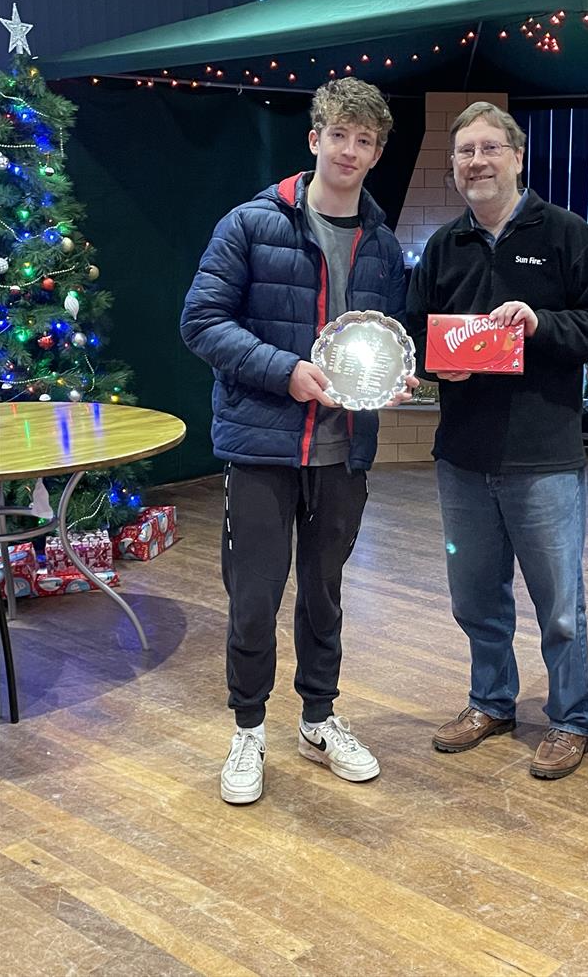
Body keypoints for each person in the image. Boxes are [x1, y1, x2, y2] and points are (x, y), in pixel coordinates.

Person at [181, 78, 416, 804]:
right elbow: (202, 322)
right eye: (339, 135)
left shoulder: (382, 244)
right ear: (314, 139)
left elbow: (381, 342)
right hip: (262, 448)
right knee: (253, 598)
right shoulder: (249, 224)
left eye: (366, 140)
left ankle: (318, 718)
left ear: (377, 153)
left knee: (325, 594)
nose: (351, 150)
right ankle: (247, 729)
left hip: (344, 454)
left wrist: (389, 384)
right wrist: (287, 373)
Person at [407, 101, 588, 779]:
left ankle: (571, 719)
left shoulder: (566, 234)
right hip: (462, 457)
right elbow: (413, 331)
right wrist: (432, 360)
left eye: (489, 148)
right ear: (455, 164)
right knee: (475, 595)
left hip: (545, 457)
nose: (477, 161)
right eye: (465, 151)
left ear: (517, 155)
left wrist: (540, 324)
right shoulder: (446, 245)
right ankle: (491, 700)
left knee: (559, 603)